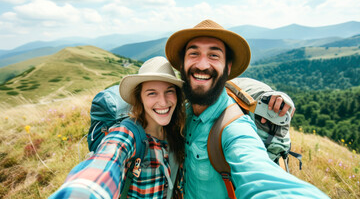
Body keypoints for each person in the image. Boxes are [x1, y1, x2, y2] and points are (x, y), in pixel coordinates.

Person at [165, 19, 329, 198]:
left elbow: (260, 176)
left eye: (214, 55)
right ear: (182, 64)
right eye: (193, 53)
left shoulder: (235, 129)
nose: (202, 65)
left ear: (227, 68)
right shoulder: (182, 111)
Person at [49, 56, 185, 199]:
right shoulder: (127, 135)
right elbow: (106, 161)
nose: (163, 102)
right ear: (140, 98)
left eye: (169, 91)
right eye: (152, 93)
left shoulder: (178, 130)